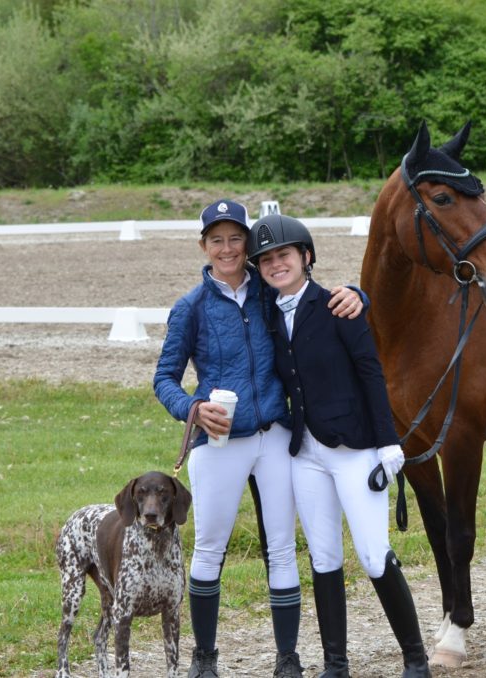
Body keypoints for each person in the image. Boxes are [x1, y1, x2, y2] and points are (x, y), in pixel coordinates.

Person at [153, 199, 365, 678]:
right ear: (204, 246)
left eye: (235, 239)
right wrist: (192, 408)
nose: (227, 248)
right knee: (210, 546)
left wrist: (357, 294)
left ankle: (286, 656)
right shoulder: (190, 308)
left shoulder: (269, 293)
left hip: (274, 436)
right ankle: (205, 657)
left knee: (282, 547)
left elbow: (317, 297)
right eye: (216, 240)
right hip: (220, 442)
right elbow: (164, 377)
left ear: (246, 243)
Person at [247, 214, 431, 678]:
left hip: (354, 448)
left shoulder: (338, 305)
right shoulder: (268, 314)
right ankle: (336, 664)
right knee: (324, 556)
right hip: (305, 451)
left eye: (284, 255)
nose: (275, 265)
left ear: (306, 257)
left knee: (372, 553)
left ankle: (415, 658)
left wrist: (389, 442)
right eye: (266, 260)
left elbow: (371, 371)